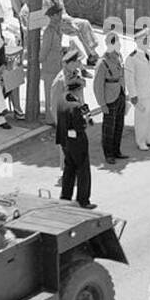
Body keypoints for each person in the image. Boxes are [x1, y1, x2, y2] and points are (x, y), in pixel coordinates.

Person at [57, 80, 95, 209]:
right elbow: (81, 124)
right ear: (78, 90)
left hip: (64, 139)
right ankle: (83, 200)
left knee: (69, 169)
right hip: (77, 140)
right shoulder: (76, 106)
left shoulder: (62, 100)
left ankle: (65, 197)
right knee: (83, 170)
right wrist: (87, 120)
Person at [123, 26, 150, 152]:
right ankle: (141, 141)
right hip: (142, 93)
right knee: (142, 118)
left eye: (148, 39)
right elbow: (129, 79)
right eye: (145, 39)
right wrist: (133, 95)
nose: (148, 41)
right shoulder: (131, 58)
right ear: (138, 41)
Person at [92, 31, 127, 164]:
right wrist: (102, 104)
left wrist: (125, 93)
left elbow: (122, 76)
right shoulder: (102, 62)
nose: (118, 44)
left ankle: (117, 150)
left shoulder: (119, 57)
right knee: (109, 128)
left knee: (119, 125)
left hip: (120, 94)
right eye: (115, 42)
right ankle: (108, 154)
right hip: (109, 97)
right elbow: (97, 86)